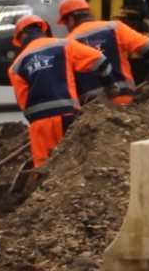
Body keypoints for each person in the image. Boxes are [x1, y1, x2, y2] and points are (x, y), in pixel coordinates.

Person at [7, 12, 125, 167]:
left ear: (21, 37)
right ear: (42, 30)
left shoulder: (16, 66)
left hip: (40, 125)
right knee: (73, 168)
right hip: (69, 116)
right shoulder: (63, 45)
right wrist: (109, 85)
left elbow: (24, 104)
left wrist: (37, 122)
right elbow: (99, 61)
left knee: (43, 170)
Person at [60, 0, 149, 103]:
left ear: (70, 20)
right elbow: (148, 47)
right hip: (124, 99)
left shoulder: (67, 45)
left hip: (92, 109)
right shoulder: (114, 27)